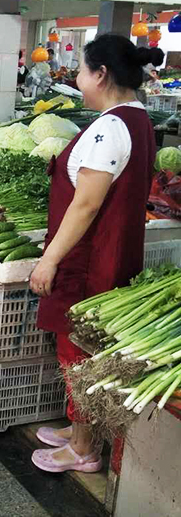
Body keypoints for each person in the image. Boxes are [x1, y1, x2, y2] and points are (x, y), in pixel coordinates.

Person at [29, 34, 164, 473]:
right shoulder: (139, 120)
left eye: (83, 72)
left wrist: (50, 258)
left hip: (89, 262)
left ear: (101, 74)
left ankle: (83, 449)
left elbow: (86, 203)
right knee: (83, 349)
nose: (79, 80)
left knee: (77, 351)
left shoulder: (109, 127)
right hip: (111, 254)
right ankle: (79, 428)